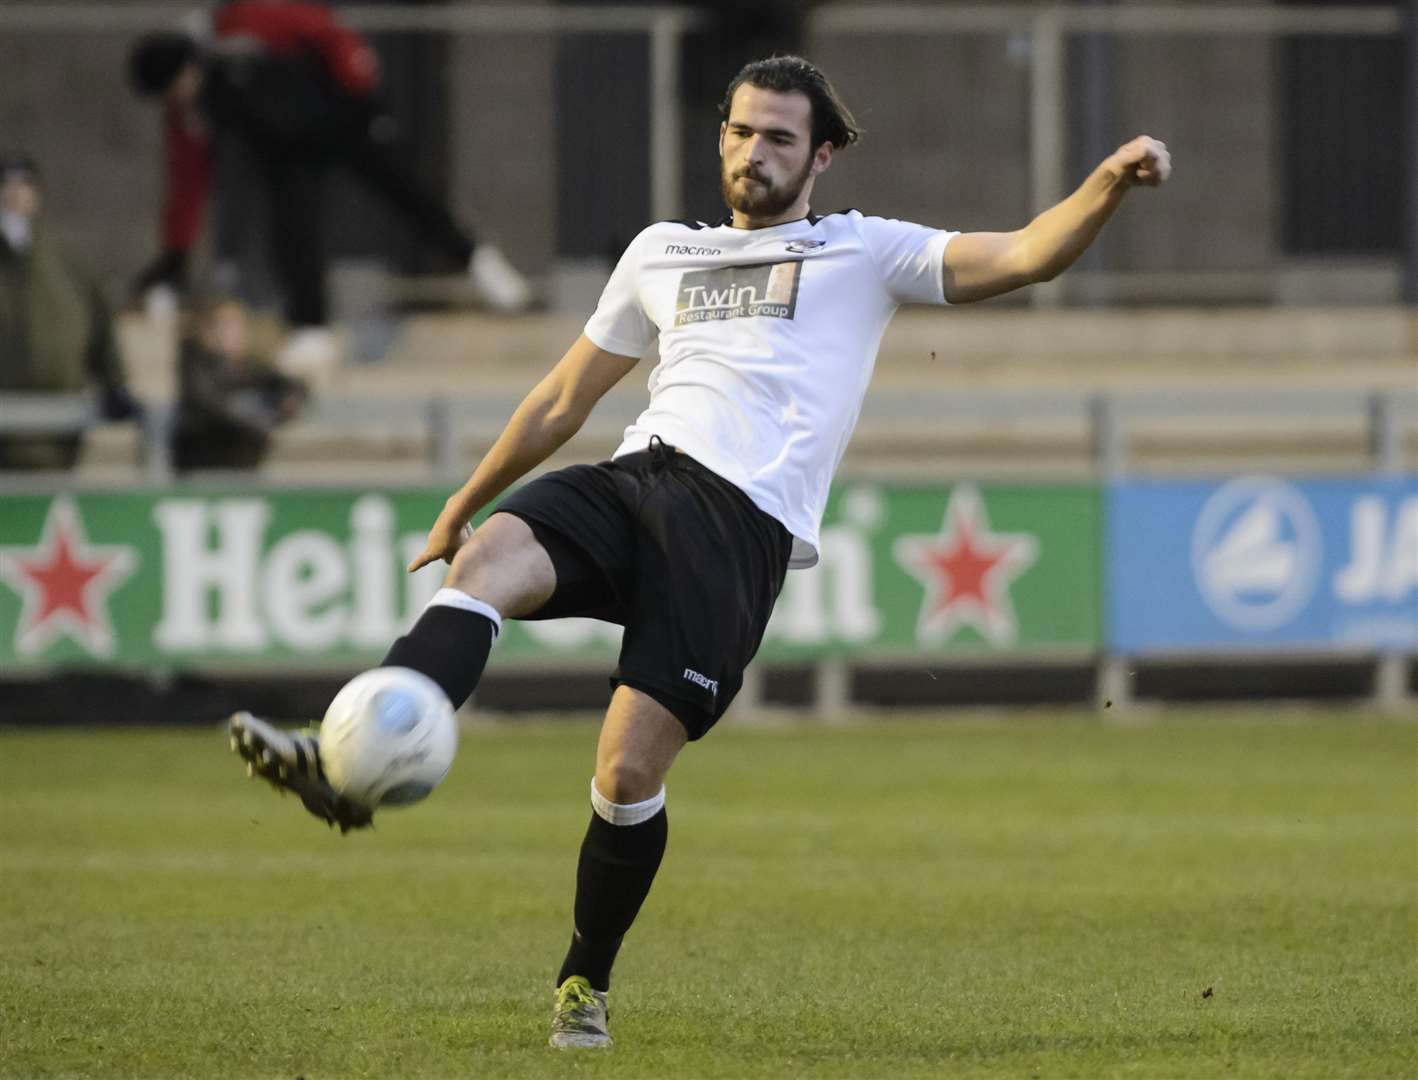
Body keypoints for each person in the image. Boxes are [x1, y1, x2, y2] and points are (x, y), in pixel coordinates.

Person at [228, 56, 1171, 1048]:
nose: (752, 152)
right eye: (738, 131)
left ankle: (583, 981)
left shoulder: (862, 252)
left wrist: (1105, 181)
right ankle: (345, 768)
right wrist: (466, 499)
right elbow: (561, 400)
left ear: (822, 153)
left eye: (777, 137)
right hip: (635, 477)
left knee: (627, 776)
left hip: (734, 530)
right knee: (486, 565)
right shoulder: (659, 252)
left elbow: (1025, 254)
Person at [127, 15, 531, 350]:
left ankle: (479, 262)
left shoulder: (240, 22)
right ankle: (310, 326)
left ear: (187, 67)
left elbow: (328, 34)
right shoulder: (188, 113)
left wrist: (366, 99)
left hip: (340, 118)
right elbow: (188, 184)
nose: (179, 96)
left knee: (409, 193)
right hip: (287, 151)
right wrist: (176, 255)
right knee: (293, 231)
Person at [0, 153, 142, 470]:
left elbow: (100, 323)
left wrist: (115, 383)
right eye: (5, 185)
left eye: (24, 184)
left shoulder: (66, 260)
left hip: (59, 425)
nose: (14, 194)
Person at [171, 294, 307, 473]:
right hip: (204, 461)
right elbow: (210, 405)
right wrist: (257, 419)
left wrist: (287, 403)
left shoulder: (251, 366)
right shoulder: (196, 364)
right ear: (208, 332)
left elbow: (292, 385)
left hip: (245, 463)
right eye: (226, 326)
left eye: (238, 325)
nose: (235, 332)